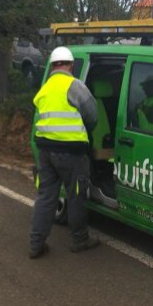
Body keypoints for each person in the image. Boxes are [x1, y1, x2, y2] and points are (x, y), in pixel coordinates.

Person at [29, 46, 99, 259]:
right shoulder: (74, 85)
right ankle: (79, 239)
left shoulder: (45, 88)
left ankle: (36, 244)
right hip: (72, 154)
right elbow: (92, 114)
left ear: (52, 66)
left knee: (45, 197)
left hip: (46, 153)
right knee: (76, 195)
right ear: (71, 65)